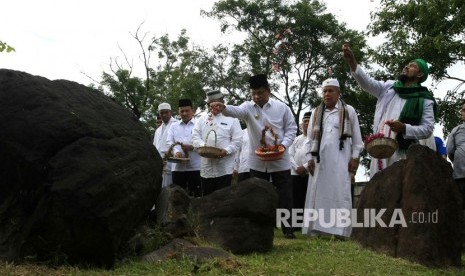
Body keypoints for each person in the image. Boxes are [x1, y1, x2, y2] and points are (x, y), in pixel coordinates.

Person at [211, 73, 298, 238]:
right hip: (257, 160)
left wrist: (283, 145)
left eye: (260, 93)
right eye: (254, 94)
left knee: (285, 194)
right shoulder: (248, 107)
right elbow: (234, 110)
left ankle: (288, 229)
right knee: (259, 195)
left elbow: (292, 129)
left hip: (280, 158)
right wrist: (223, 107)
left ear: (268, 91)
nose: (257, 97)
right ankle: (263, 227)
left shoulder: (282, 108)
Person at [342, 43, 436, 178]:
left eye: (412, 66)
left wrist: (404, 128)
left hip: (405, 152)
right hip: (381, 147)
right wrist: (352, 62)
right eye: (407, 64)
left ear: (420, 74)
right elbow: (367, 84)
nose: (406, 67)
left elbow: (427, 129)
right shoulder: (390, 87)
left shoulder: (425, 100)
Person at [303, 79, 363, 239]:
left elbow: (357, 140)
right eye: (324, 91)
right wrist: (309, 157)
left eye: (331, 91)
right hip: (319, 162)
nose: (327, 94)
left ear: (338, 93)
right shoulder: (316, 112)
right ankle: (316, 230)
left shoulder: (348, 110)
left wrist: (355, 158)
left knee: (339, 193)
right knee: (318, 194)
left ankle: (340, 232)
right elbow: (309, 139)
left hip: (341, 161)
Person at [192, 90, 243, 196]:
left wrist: (226, 150)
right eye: (211, 104)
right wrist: (204, 147)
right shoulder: (202, 119)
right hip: (207, 170)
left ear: (222, 102)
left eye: (216, 103)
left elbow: (237, 141)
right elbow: (195, 137)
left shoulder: (232, 118)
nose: (214, 106)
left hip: (225, 170)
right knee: (207, 201)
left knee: (224, 201)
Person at [166, 99, 202, 197]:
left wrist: (192, 147)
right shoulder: (174, 126)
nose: (185, 113)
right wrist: (177, 152)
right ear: (179, 112)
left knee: (196, 195)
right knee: (178, 197)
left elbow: (204, 143)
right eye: (182, 111)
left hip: (196, 167)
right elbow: (169, 141)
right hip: (178, 169)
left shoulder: (199, 124)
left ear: (192, 111)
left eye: (187, 111)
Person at [289, 112, 311, 214]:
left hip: (309, 172)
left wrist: (305, 167)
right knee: (295, 197)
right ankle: (296, 224)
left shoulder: (316, 139)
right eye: (304, 121)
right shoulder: (296, 139)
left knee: (308, 198)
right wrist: (297, 167)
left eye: (309, 121)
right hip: (295, 172)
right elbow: (289, 155)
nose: (306, 123)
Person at [153, 103, 179, 188]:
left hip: (171, 163)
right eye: (161, 113)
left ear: (171, 112)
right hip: (159, 164)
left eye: (166, 112)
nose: (164, 115)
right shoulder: (158, 130)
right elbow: (155, 147)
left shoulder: (177, 124)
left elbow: (178, 144)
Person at [446, 102, 465, 208]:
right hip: (461, 177)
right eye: (462, 110)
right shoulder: (456, 130)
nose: (463, 112)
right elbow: (450, 152)